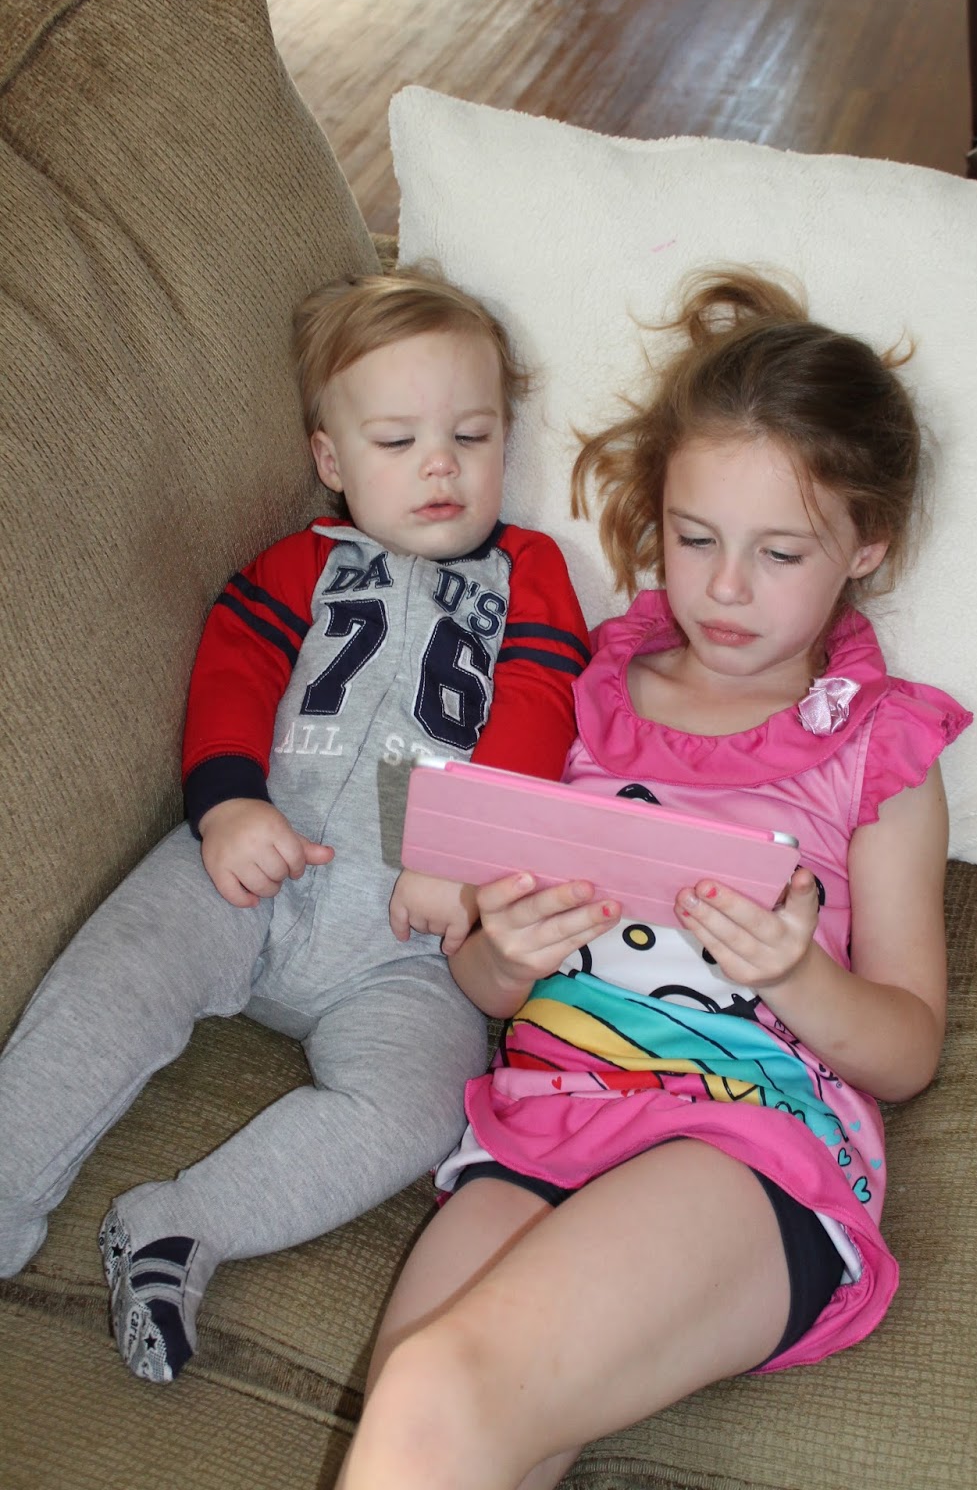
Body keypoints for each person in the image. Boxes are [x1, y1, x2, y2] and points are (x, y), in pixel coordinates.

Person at [335, 268, 973, 1490]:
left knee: (433, 1388)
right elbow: (488, 983)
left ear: (866, 545)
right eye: (694, 537)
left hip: (744, 1143)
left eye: (779, 551)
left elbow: (906, 1050)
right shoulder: (578, 690)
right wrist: (499, 955)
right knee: (427, 1407)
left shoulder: (877, 746)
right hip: (544, 1120)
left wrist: (796, 973)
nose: (725, 587)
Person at [0, 268, 590, 1384]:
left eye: (471, 437)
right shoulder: (302, 562)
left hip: (411, 947)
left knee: (424, 1107)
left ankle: (184, 1223)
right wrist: (226, 805)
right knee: (112, 982)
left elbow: (538, 706)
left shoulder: (530, 574)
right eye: (398, 440)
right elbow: (234, 668)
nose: (439, 465)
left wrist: (459, 859)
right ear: (332, 460)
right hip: (253, 868)